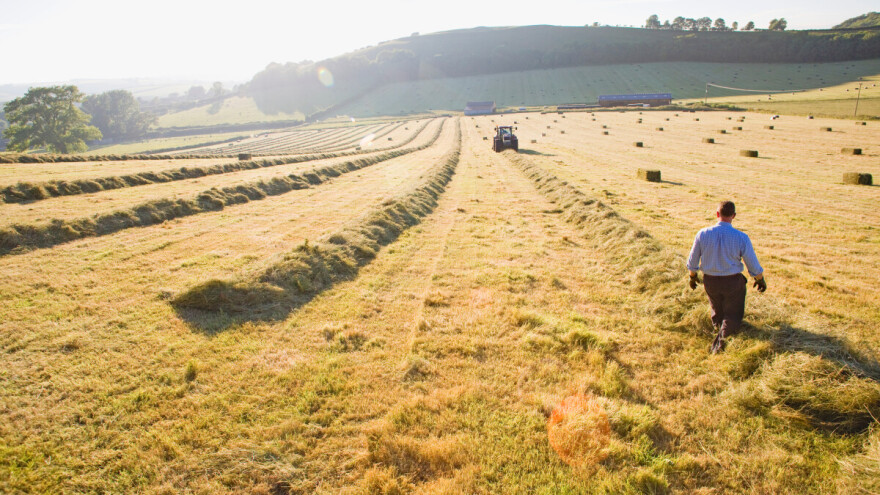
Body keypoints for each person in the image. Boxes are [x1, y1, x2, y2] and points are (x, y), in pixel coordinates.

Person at [687, 200, 766, 353]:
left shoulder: (702, 234)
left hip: (710, 281)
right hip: (732, 283)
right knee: (733, 314)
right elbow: (753, 264)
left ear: (717, 214)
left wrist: (692, 277)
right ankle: (721, 344)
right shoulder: (741, 237)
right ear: (734, 216)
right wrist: (759, 279)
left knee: (717, 309)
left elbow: (692, 262)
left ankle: (718, 330)